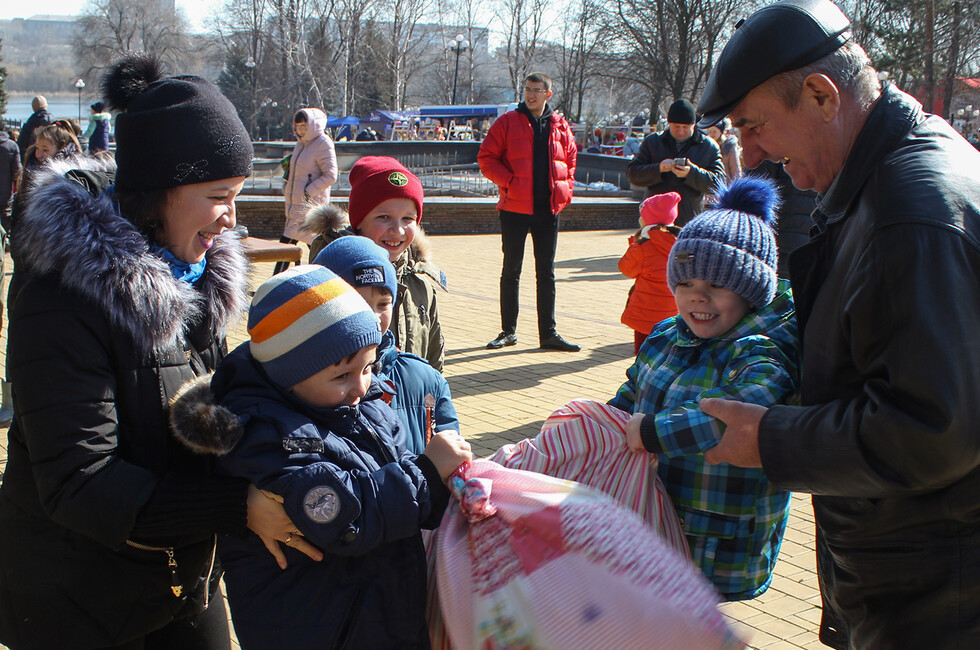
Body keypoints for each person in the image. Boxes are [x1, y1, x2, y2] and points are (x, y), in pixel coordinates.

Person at [0, 53, 314, 650]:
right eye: (220, 195)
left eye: (238, 196)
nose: (231, 220)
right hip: (74, 598)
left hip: (178, 577)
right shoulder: (60, 292)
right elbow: (80, 481)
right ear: (161, 190)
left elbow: (205, 410)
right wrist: (239, 506)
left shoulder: (193, 276)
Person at [693, 0, 980, 646]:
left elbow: (931, 428)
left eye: (757, 127)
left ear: (821, 95)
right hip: (909, 576)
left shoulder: (908, 212)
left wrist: (773, 440)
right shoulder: (881, 179)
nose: (757, 156)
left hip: (936, 597)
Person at [170, 264, 472, 649]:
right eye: (342, 375)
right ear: (288, 375)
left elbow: (409, 505)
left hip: (378, 615)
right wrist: (427, 473)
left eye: (367, 367)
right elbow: (347, 519)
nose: (361, 386)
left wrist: (447, 487)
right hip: (318, 629)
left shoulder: (365, 406)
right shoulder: (268, 435)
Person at [609, 176, 800, 601]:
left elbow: (737, 416)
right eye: (685, 285)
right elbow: (631, 395)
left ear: (751, 290)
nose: (698, 299)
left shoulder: (761, 349)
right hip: (653, 516)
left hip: (719, 539)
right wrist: (595, 425)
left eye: (716, 286)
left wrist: (651, 433)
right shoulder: (665, 334)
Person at [314, 236, 459, 453]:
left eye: (383, 303)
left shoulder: (426, 378)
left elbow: (453, 456)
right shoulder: (311, 381)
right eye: (358, 302)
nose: (373, 316)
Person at [478, 72, 580, 352]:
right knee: (511, 270)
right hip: (514, 209)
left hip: (548, 211)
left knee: (546, 273)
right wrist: (509, 181)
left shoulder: (560, 125)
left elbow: (571, 159)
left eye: (537, 90)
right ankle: (508, 331)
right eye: (527, 89)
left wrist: (565, 191)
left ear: (548, 94)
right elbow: (486, 157)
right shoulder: (508, 122)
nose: (530, 94)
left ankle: (548, 333)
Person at [343, 156, 447, 372]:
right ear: (359, 221)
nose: (397, 230)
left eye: (407, 219)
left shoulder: (420, 282)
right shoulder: (339, 278)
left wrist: (435, 399)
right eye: (383, 217)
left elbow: (434, 358)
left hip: (412, 403)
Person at [627, 99, 726, 227]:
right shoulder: (652, 142)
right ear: (669, 124)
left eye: (685, 127)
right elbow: (633, 174)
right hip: (654, 220)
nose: (680, 131)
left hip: (689, 220)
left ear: (694, 125)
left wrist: (691, 173)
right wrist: (659, 169)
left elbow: (719, 183)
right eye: (676, 127)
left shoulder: (709, 146)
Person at [618, 191, 681, 355]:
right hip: (673, 313)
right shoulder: (680, 244)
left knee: (643, 355)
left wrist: (634, 244)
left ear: (647, 220)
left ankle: (641, 379)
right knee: (668, 355)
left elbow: (626, 269)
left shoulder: (643, 246)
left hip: (645, 314)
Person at [279, 107, 338, 273]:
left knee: (306, 244)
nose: (301, 130)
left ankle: (323, 275)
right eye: (298, 127)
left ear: (314, 125)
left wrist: (307, 192)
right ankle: (278, 279)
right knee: (289, 244)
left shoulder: (323, 143)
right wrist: (288, 186)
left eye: (304, 127)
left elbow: (331, 175)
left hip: (309, 207)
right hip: (295, 205)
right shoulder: (300, 144)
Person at [706, 118, 742, 182]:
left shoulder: (729, 146)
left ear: (721, 132)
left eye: (714, 131)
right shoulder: (706, 146)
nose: (712, 134)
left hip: (726, 184)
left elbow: (735, 169)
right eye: (710, 131)